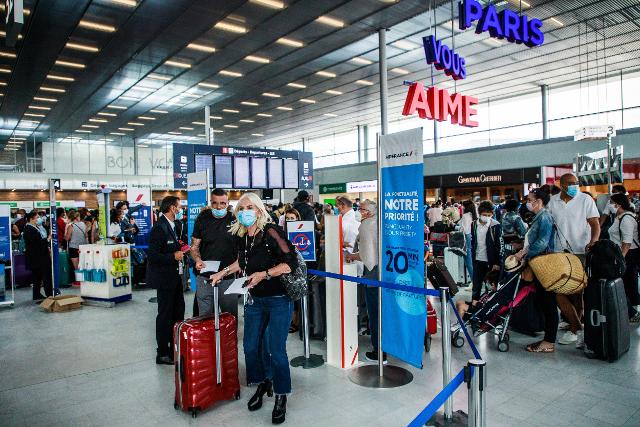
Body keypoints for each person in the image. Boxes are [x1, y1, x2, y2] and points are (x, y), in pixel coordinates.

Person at [209, 193, 297, 425]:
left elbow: (290, 263)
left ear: (259, 210)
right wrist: (222, 273)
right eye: (241, 208)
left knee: (276, 350)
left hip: (278, 299)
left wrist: (264, 275)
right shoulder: (241, 236)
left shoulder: (271, 232)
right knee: (250, 347)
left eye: (250, 207)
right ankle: (261, 383)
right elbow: (242, 262)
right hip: (255, 300)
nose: (245, 211)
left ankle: (281, 395)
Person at [547, 173, 600, 347]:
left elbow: (595, 224)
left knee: (577, 292)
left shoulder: (585, 199)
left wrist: (593, 242)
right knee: (558, 290)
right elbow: (548, 224)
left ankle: (574, 327)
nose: (574, 186)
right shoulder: (553, 201)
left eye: (576, 183)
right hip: (558, 252)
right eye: (570, 183)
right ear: (561, 185)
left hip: (579, 251)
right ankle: (576, 324)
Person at [513, 189, 557, 353]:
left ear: (538, 201)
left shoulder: (544, 217)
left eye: (530, 199)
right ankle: (547, 338)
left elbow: (542, 243)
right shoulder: (539, 217)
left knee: (548, 302)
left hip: (543, 264)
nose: (528, 202)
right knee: (544, 301)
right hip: (537, 263)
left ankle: (549, 341)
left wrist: (524, 253)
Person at [344, 200, 385, 363]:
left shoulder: (367, 225)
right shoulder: (380, 223)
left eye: (362, 209)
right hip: (385, 273)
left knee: (375, 312)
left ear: (369, 212)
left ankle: (378, 351)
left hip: (373, 275)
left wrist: (352, 256)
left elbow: (368, 255)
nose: (359, 211)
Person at [148, 196, 185, 365]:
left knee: (178, 312)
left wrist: (181, 248)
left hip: (175, 277)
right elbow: (153, 256)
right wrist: (173, 256)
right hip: (165, 279)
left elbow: (172, 245)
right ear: (171, 208)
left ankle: (173, 348)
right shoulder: (159, 228)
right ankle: (162, 352)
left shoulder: (173, 226)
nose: (180, 209)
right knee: (165, 315)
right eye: (179, 206)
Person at [190, 188, 237, 317]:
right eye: (215, 203)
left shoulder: (235, 220)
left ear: (228, 203)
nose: (219, 206)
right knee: (205, 318)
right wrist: (197, 260)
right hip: (205, 277)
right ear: (210, 202)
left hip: (228, 277)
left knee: (230, 317)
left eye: (223, 203)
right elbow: (194, 247)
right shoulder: (202, 218)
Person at [608, 193, 640, 322]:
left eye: (611, 202)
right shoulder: (619, 217)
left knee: (625, 283)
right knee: (627, 283)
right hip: (624, 253)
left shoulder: (626, 218)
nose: (609, 205)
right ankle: (631, 311)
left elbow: (627, 242)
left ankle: (632, 312)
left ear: (618, 204)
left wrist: (620, 259)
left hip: (628, 254)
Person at [470, 201, 504, 303]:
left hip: (491, 261)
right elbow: (473, 241)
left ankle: (487, 306)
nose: (487, 217)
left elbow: (500, 245)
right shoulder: (474, 225)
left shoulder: (496, 225)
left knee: (489, 285)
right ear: (480, 214)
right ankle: (474, 305)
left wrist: (497, 262)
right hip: (477, 259)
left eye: (489, 215)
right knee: (476, 285)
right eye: (484, 215)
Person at [23, 211, 53, 302]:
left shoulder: (33, 227)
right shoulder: (29, 229)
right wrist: (48, 239)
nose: (38, 219)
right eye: (37, 217)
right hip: (38, 257)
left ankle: (36, 294)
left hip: (37, 256)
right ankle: (49, 295)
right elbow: (37, 243)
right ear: (32, 218)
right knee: (45, 275)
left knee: (37, 277)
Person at [64, 212, 87, 285]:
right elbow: (86, 235)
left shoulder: (71, 226)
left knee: (76, 266)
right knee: (82, 264)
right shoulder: (83, 224)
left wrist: (65, 235)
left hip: (73, 248)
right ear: (77, 217)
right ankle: (83, 279)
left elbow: (67, 238)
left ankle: (78, 281)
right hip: (83, 247)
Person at [460, 200, 476, 279]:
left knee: (468, 262)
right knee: (474, 261)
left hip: (467, 237)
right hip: (475, 237)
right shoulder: (475, 215)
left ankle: (474, 282)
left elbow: (464, 230)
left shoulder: (465, 216)